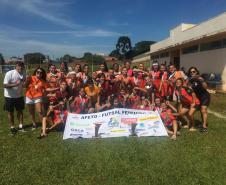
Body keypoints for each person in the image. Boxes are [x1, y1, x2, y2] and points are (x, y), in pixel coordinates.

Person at [3, 61, 26, 135]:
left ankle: (20, 126)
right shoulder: (10, 73)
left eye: (22, 66)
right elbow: (5, 85)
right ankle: (12, 127)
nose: (20, 67)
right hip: (9, 97)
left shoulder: (24, 74)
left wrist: (24, 84)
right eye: (19, 66)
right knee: (10, 112)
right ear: (16, 66)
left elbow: (23, 84)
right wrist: (15, 84)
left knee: (20, 111)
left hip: (19, 96)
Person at [187, 67, 211, 132]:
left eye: (194, 71)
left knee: (203, 110)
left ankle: (204, 125)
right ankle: (193, 124)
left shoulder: (200, 78)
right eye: (191, 72)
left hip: (204, 96)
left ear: (197, 72)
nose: (192, 73)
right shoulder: (190, 80)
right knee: (192, 112)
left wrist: (201, 80)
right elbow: (191, 90)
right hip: (197, 98)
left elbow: (205, 87)